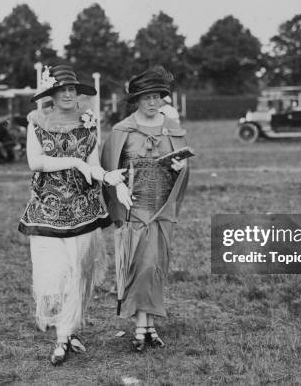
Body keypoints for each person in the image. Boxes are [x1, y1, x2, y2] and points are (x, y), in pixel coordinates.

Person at [18, 65, 127, 366]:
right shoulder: (37, 121)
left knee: (79, 272)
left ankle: (65, 334)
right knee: (54, 276)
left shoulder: (88, 121)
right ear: (51, 93)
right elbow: (35, 162)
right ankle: (64, 331)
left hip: (83, 210)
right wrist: (74, 163)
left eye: (72, 88)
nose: (68, 93)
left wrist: (107, 177)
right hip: (46, 210)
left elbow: (92, 163)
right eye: (62, 88)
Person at [102, 66, 189, 352]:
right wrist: (118, 191)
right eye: (147, 97)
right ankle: (142, 328)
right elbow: (109, 171)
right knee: (142, 265)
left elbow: (183, 171)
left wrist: (180, 168)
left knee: (156, 267)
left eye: (157, 97)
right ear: (137, 99)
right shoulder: (121, 130)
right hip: (134, 208)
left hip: (162, 207)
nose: (153, 103)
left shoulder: (172, 128)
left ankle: (149, 326)